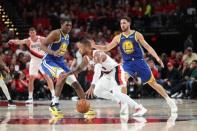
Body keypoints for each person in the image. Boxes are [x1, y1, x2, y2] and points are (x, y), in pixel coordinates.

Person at [91, 16, 177, 113]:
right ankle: (124, 105)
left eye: (124, 23)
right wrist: (95, 46)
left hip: (139, 62)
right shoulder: (118, 38)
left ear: (129, 23)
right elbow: (106, 48)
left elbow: (148, 47)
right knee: (123, 82)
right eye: (121, 23)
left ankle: (169, 100)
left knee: (153, 84)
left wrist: (157, 58)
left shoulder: (137, 35)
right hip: (127, 64)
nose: (122, 25)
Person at [66, 38, 147, 116]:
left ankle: (139, 108)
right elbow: (79, 68)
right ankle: (120, 101)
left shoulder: (98, 54)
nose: (79, 50)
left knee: (117, 93)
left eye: (81, 48)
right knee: (97, 91)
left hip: (116, 71)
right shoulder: (86, 58)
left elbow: (97, 71)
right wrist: (67, 74)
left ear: (87, 47)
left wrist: (92, 86)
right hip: (107, 74)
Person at [40, 18, 86, 115]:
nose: (69, 27)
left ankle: (86, 106)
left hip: (60, 62)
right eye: (67, 25)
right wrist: (53, 52)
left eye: (70, 25)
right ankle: (54, 104)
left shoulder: (67, 36)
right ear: (61, 25)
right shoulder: (55, 33)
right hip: (49, 61)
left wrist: (69, 67)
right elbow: (42, 46)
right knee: (62, 75)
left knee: (76, 84)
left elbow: (62, 50)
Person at [9, 27, 55, 103]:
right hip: (34, 61)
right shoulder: (28, 41)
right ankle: (30, 98)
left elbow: (51, 41)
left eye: (33, 32)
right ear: (29, 33)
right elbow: (19, 41)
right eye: (31, 33)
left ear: (35, 32)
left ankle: (53, 96)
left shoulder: (41, 39)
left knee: (47, 77)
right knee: (31, 79)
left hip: (42, 60)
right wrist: (12, 41)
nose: (32, 34)